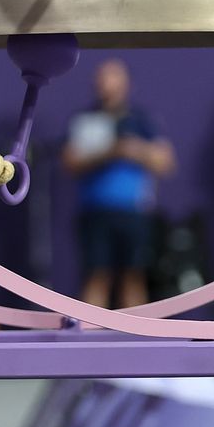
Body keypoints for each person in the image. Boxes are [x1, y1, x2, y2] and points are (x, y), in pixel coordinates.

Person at [64, 60, 174, 310]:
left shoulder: (141, 121)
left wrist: (135, 151)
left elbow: (166, 162)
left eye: (112, 78)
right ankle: (88, 342)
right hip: (95, 212)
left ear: (126, 83)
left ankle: (138, 340)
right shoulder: (85, 120)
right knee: (96, 276)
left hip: (134, 212)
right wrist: (109, 153)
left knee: (133, 277)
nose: (106, 84)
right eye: (102, 78)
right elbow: (70, 162)